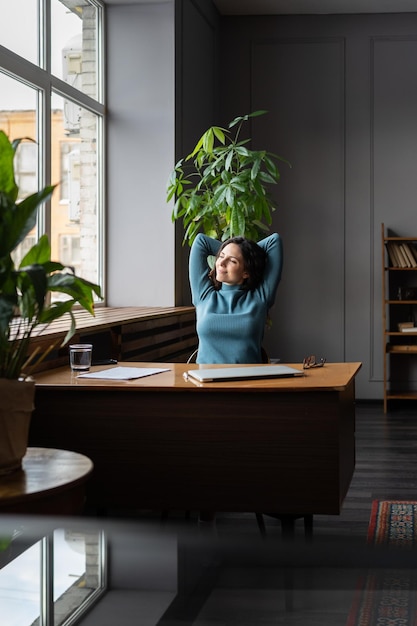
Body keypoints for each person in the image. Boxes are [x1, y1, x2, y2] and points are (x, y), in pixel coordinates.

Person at [189, 232, 283, 364]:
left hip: (249, 381)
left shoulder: (260, 297)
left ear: (246, 272)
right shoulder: (203, 295)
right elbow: (200, 241)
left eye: (232, 261)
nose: (221, 263)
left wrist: (247, 254)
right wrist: (236, 251)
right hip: (206, 381)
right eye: (221, 256)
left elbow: (274, 241)